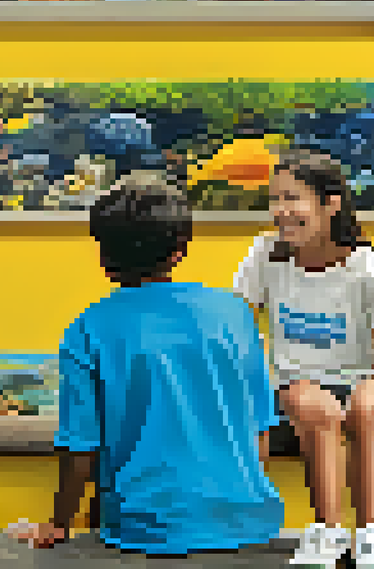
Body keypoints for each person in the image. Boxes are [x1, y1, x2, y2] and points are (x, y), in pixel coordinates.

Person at [16, 179, 283, 555]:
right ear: (180, 250)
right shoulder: (234, 313)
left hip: (147, 529)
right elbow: (260, 430)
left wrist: (59, 524)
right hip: (249, 519)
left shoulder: (89, 327)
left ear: (104, 254)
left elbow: (80, 449)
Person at [232, 149, 374, 568]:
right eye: (275, 199)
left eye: (292, 198)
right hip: (293, 390)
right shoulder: (265, 256)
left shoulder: (372, 270)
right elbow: (236, 328)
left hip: (366, 386)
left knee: (362, 408)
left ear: (331, 204)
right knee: (317, 404)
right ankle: (328, 530)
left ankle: (369, 533)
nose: (280, 211)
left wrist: (373, 395)